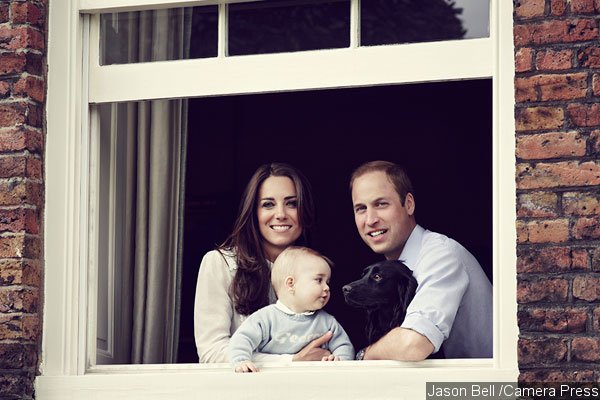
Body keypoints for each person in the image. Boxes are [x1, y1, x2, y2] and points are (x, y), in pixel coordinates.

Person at [349, 160, 492, 361]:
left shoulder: (441, 255)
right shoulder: (394, 271)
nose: (370, 220)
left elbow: (413, 345)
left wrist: (364, 356)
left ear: (409, 204)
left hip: (480, 390)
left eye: (381, 204)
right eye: (361, 209)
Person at [194, 162, 333, 363]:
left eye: (292, 203)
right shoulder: (219, 263)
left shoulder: (317, 267)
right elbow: (212, 352)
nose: (281, 214)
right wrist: (291, 361)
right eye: (268, 204)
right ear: (253, 212)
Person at [229, 246, 355, 372]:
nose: (326, 287)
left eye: (327, 282)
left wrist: (338, 362)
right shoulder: (265, 318)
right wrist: (241, 360)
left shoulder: (327, 322)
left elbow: (344, 346)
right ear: (291, 284)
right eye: (319, 280)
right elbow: (242, 339)